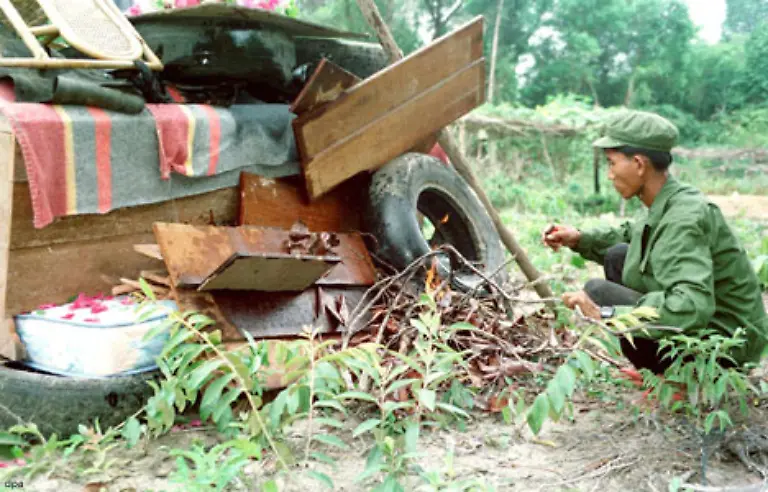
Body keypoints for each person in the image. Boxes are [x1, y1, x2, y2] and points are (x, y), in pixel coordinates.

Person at [543, 110, 768, 374]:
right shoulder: (665, 200)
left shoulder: (683, 217)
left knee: (598, 292)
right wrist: (578, 238)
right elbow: (631, 235)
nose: (609, 175)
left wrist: (605, 314)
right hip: (714, 327)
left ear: (639, 164)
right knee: (618, 255)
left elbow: (691, 306)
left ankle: (682, 379)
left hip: (727, 346)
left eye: (612, 163)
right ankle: (659, 371)